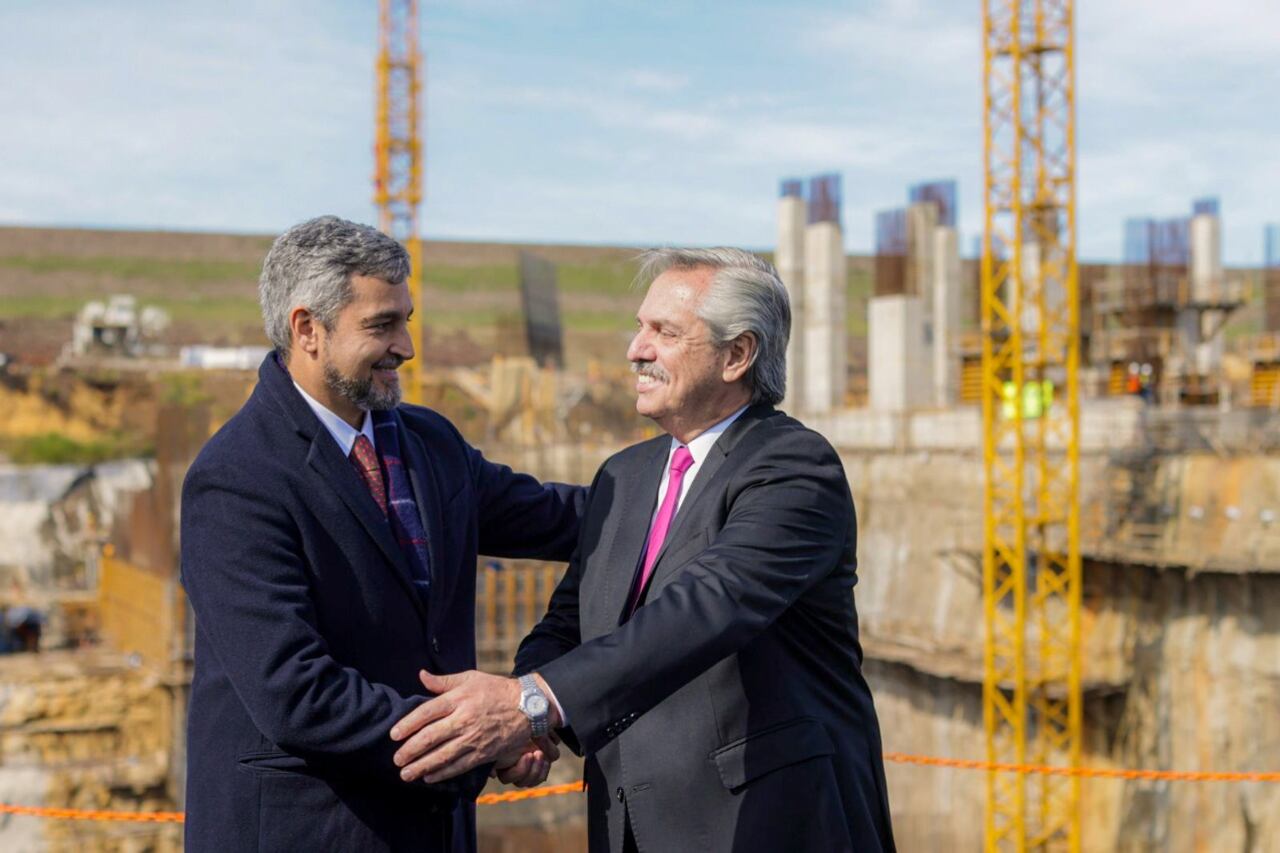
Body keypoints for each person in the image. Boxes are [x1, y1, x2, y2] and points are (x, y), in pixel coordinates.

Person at [389, 248, 895, 852]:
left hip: (767, 825)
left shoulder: (792, 468)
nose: (636, 349)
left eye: (665, 332)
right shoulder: (624, 476)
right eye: (639, 326)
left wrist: (532, 703)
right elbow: (570, 620)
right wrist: (528, 714)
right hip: (630, 826)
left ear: (737, 355)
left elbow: (705, 608)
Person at [180, 216, 580, 852]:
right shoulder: (237, 479)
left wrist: (689, 496)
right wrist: (480, 741)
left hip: (434, 833)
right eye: (381, 325)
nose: (407, 347)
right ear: (307, 328)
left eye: (406, 319)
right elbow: (297, 693)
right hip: (311, 833)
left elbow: (558, 518)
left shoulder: (428, 443)